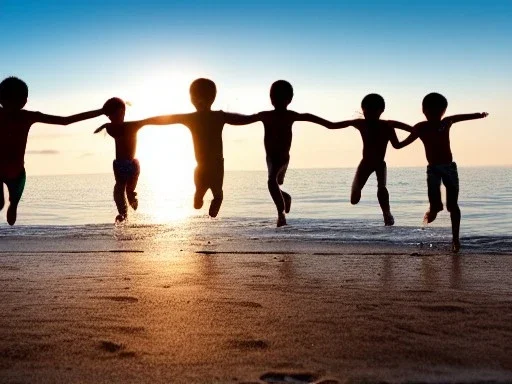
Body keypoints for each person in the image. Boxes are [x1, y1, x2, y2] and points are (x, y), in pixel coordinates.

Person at [96, 79, 258, 220]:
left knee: (210, 186)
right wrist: (256, 117)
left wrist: (145, 121)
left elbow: (168, 119)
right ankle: (207, 196)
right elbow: (168, 119)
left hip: (207, 164)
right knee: (209, 184)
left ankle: (212, 197)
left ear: (194, 99)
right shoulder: (211, 116)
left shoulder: (203, 117)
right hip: (211, 164)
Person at [0, 76, 104, 225]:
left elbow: (65, 120)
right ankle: (14, 204)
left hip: (13, 171)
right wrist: (101, 111)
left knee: (5, 204)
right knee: (4, 204)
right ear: (24, 101)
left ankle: (13, 204)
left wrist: (100, 111)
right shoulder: (27, 116)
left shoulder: (26, 116)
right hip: (16, 172)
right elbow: (66, 120)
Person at [396, 92, 488, 252]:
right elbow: (400, 145)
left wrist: (478, 115)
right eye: (431, 112)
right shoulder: (420, 128)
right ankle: (432, 211)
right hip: (433, 170)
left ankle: (455, 239)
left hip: (449, 168)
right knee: (436, 206)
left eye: (438, 112)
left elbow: (460, 117)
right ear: (423, 110)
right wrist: (392, 128)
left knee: (452, 206)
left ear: (443, 112)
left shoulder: (445, 122)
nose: (434, 115)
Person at [329, 94, 413, 225]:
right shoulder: (360, 123)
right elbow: (332, 125)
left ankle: (387, 214)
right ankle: (361, 195)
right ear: (363, 110)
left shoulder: (387, 125)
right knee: (354, 199)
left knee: (382, 187)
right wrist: (307, 118)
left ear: (381, 111)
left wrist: (417, 135)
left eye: (373, 111)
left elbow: (400, 142)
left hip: (380, 163)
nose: (370, 114)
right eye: (367, 111)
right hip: (365, 163)